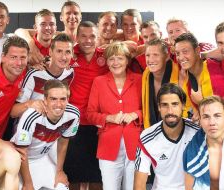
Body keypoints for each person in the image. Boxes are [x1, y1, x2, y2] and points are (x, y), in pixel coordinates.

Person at [87, 41, 142, 190]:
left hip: (136, 145)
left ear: (127, 60)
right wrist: (108, 118)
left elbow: (149, 110)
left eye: (120, 58)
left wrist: (135, 114)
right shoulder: (99, 82)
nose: (115, 62)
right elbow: (90, 114)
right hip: (108, 145)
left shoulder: (140, 79)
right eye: (111, 59)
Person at [11, 79, 79, 190]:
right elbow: (22, 152)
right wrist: (28, 184)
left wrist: (59, 171)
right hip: (20, 160)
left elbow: (63, 142)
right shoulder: (32, 116)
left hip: (43, 157)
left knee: (62, 187)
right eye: (53, 99)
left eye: (63, 99)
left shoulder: (73, 115)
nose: (58, 104)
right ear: (45, 100)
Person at [64, 21, 109, 190]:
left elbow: (130, 48)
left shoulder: (106, 54)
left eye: (92, 36)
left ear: (98, 38)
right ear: (76, 37)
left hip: (99, 123)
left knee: (97, 174)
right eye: (83, 36)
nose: (88, 40)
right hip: (74, 122)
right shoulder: (68, 54)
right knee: (73, 173)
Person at [134, 83, 199, 190]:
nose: (170, 111)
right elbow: (139, 185)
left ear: (183, 105)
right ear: (159, 107)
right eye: (164, 105)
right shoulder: (147, 138)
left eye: (174, 104)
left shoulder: (197, 132)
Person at [10, 33, 74, 118]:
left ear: (72, 54)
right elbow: (13, 112)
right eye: (59, 51)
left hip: (53, 128)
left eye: (67, 52)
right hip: (28, 127)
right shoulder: (34, 74)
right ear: (51, 52)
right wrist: (31, 103)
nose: (63, 57)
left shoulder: (70, 72)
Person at [15, 1, 81, 66]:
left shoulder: (86, 40)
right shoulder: (57, 38)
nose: (47, 28)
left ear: (55, 28)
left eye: (75, 13)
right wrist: (30, 43)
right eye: (43, 24)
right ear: (61, 17)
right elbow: (19, 31)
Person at [175, 33, 224, 116]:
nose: (181, 57)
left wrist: (201, 102)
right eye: (177, 53)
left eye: (185, 52)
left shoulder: (217, 67)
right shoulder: (185, 80)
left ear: (197, 51)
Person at [183, 95, 224, 189]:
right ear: (200, 120)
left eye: (217, 116)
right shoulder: (192, 151)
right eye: (206, 117)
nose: (212, 122)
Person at [141, 39, 179, 129]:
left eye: (156, 55)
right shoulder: (146, 75)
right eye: (148, 55)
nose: (150, 60)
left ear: (166, 57)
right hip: (153, 132)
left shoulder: (179, 73)